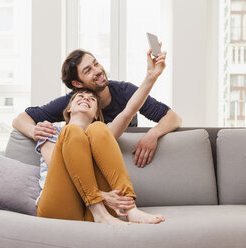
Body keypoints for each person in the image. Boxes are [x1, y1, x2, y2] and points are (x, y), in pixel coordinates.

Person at [37, 48, 167, 225]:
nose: (85, 99)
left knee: (98, 130)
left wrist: (151, 76)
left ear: (96, 114)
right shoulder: (51, 131)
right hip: (58, 207)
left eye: (91, 100)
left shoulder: (101, 130)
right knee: (72, 131)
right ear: (69, 109)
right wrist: (103, 196)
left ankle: (131, 210)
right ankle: (100, 213)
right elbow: (60, 170)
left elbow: (129, 111)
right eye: (80, 97)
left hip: (99, 212)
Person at [12, 46, 181, 168]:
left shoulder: (125, 92)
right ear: (77, 83)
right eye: (88, 70)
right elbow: (21, 119)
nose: (98, 70)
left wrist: (153, 134)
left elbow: (172, 118)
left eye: (96, 64)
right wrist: (35, 132)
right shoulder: (75, 104)